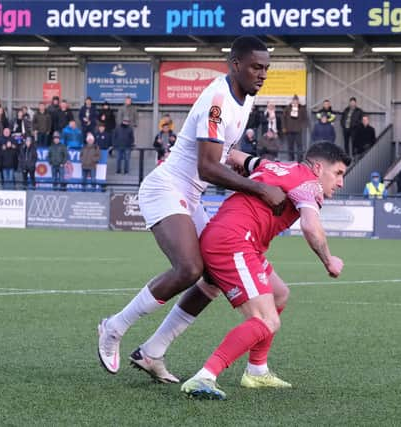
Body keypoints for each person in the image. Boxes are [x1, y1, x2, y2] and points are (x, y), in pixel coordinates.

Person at [97, 36, 287, 379]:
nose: (262, 75)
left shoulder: (243, 100)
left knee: (214, 277)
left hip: (190, 194)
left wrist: (258, 164)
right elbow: (208, 167)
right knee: (188, 268)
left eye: (266, 68)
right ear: (235, 65)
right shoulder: (218, 102)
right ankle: (113, 327)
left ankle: (152, 352)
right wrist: (260, 188)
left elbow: (224, 152)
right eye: (256, 67)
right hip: (166, 188)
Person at [180, 142, 350, 400]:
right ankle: (204, 376)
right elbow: (311, 228)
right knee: (267, 319)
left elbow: (233, 155)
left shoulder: (276, 166)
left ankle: (257, 371)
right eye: (338, 173)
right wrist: (329, 261)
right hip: (233, 242)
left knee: (279, 294)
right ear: (317, 168)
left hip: (242, 241)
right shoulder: (309, 185)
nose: (341, 183)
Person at [281, 95, 308, 161]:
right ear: (292, 101)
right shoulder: (287, 108)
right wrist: (284, 127)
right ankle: (291, 159)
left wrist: (303, 125)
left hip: (298, 130)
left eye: (296, 101)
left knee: (299, 146)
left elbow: (305, 118)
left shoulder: (302, 108)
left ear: (298, 101)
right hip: (289, 130)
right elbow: (283, 118)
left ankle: (300, 159)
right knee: (290, 146)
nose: (295, 102)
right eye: (294, 101)